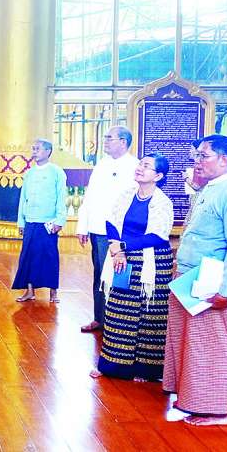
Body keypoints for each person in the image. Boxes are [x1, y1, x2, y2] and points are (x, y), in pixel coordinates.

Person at [162, 134, 227, 427]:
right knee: (185, 340)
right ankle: (188, 398)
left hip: (210, 282)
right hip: (187, 277)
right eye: (197, 156)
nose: (197, 162)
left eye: (204, 156)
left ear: (224, 160)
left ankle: (215, 410)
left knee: (209, 344)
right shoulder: (208, 188)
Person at [90, 153, 174, 381]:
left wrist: (122, 246)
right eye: (140, 164)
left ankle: (146, 370)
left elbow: (158, 235)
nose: (140, 168)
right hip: (123, 260)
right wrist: (118, 250)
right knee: (118, 311)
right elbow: (111, 221)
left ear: (158, 176)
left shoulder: (163, 202)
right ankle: (113, 366)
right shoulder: (127, 194)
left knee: (149, 316)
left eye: (146, 166)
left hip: (152, 264)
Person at [76, 126, 139, 332]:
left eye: (109, 138)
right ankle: (99, 318)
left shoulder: (134, 166)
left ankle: (117, 320)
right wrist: (83, 226)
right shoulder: (101, 164)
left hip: (119, 234)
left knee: (117, 275)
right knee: (99, 274)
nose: (105, 141)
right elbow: (89, 196)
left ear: (123, 142)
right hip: (97, 228)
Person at [11, 139, 67, 303]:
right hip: (30, 221)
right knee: (27, 256)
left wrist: (60, 220)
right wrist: (21, 222)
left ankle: (53, 292)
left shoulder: (57, 172)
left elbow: (61, 197)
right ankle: (30, 291)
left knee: (49, 256)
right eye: (33, 149)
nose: (34, 152)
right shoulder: (29, 173)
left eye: (38, 149)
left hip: (48, 223)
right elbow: (23, 198)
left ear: (48, 151)